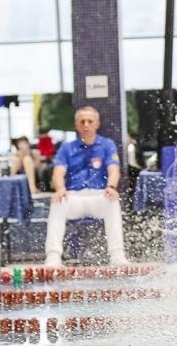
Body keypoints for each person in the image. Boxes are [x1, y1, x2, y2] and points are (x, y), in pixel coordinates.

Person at [44, 106, 127, 266]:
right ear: (76, 125)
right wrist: (60, 189)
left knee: (112, 201)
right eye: (82, 121)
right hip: (74, 197)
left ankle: (117, 255)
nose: (86, 125)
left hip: (99, 196)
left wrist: (111, 186)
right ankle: (53, 256)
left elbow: (114, 170)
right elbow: (58, 173)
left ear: (97, 123)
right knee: (57, 202)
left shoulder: (107, 145)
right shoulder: (67, 148)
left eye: (90, 121)